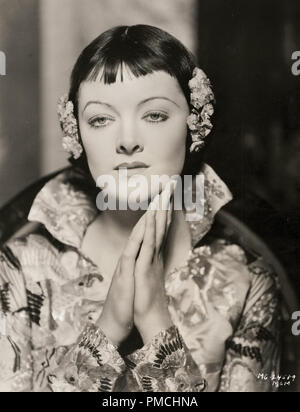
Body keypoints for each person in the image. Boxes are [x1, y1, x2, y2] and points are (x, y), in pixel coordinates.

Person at [0, 24, 281, 392]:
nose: (128, 141)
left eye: (155, 115)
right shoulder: (20, 270)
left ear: (193, 125)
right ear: (77, 134)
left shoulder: (246, 282)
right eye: (101, 119)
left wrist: (156, 325)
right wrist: (108, 329)